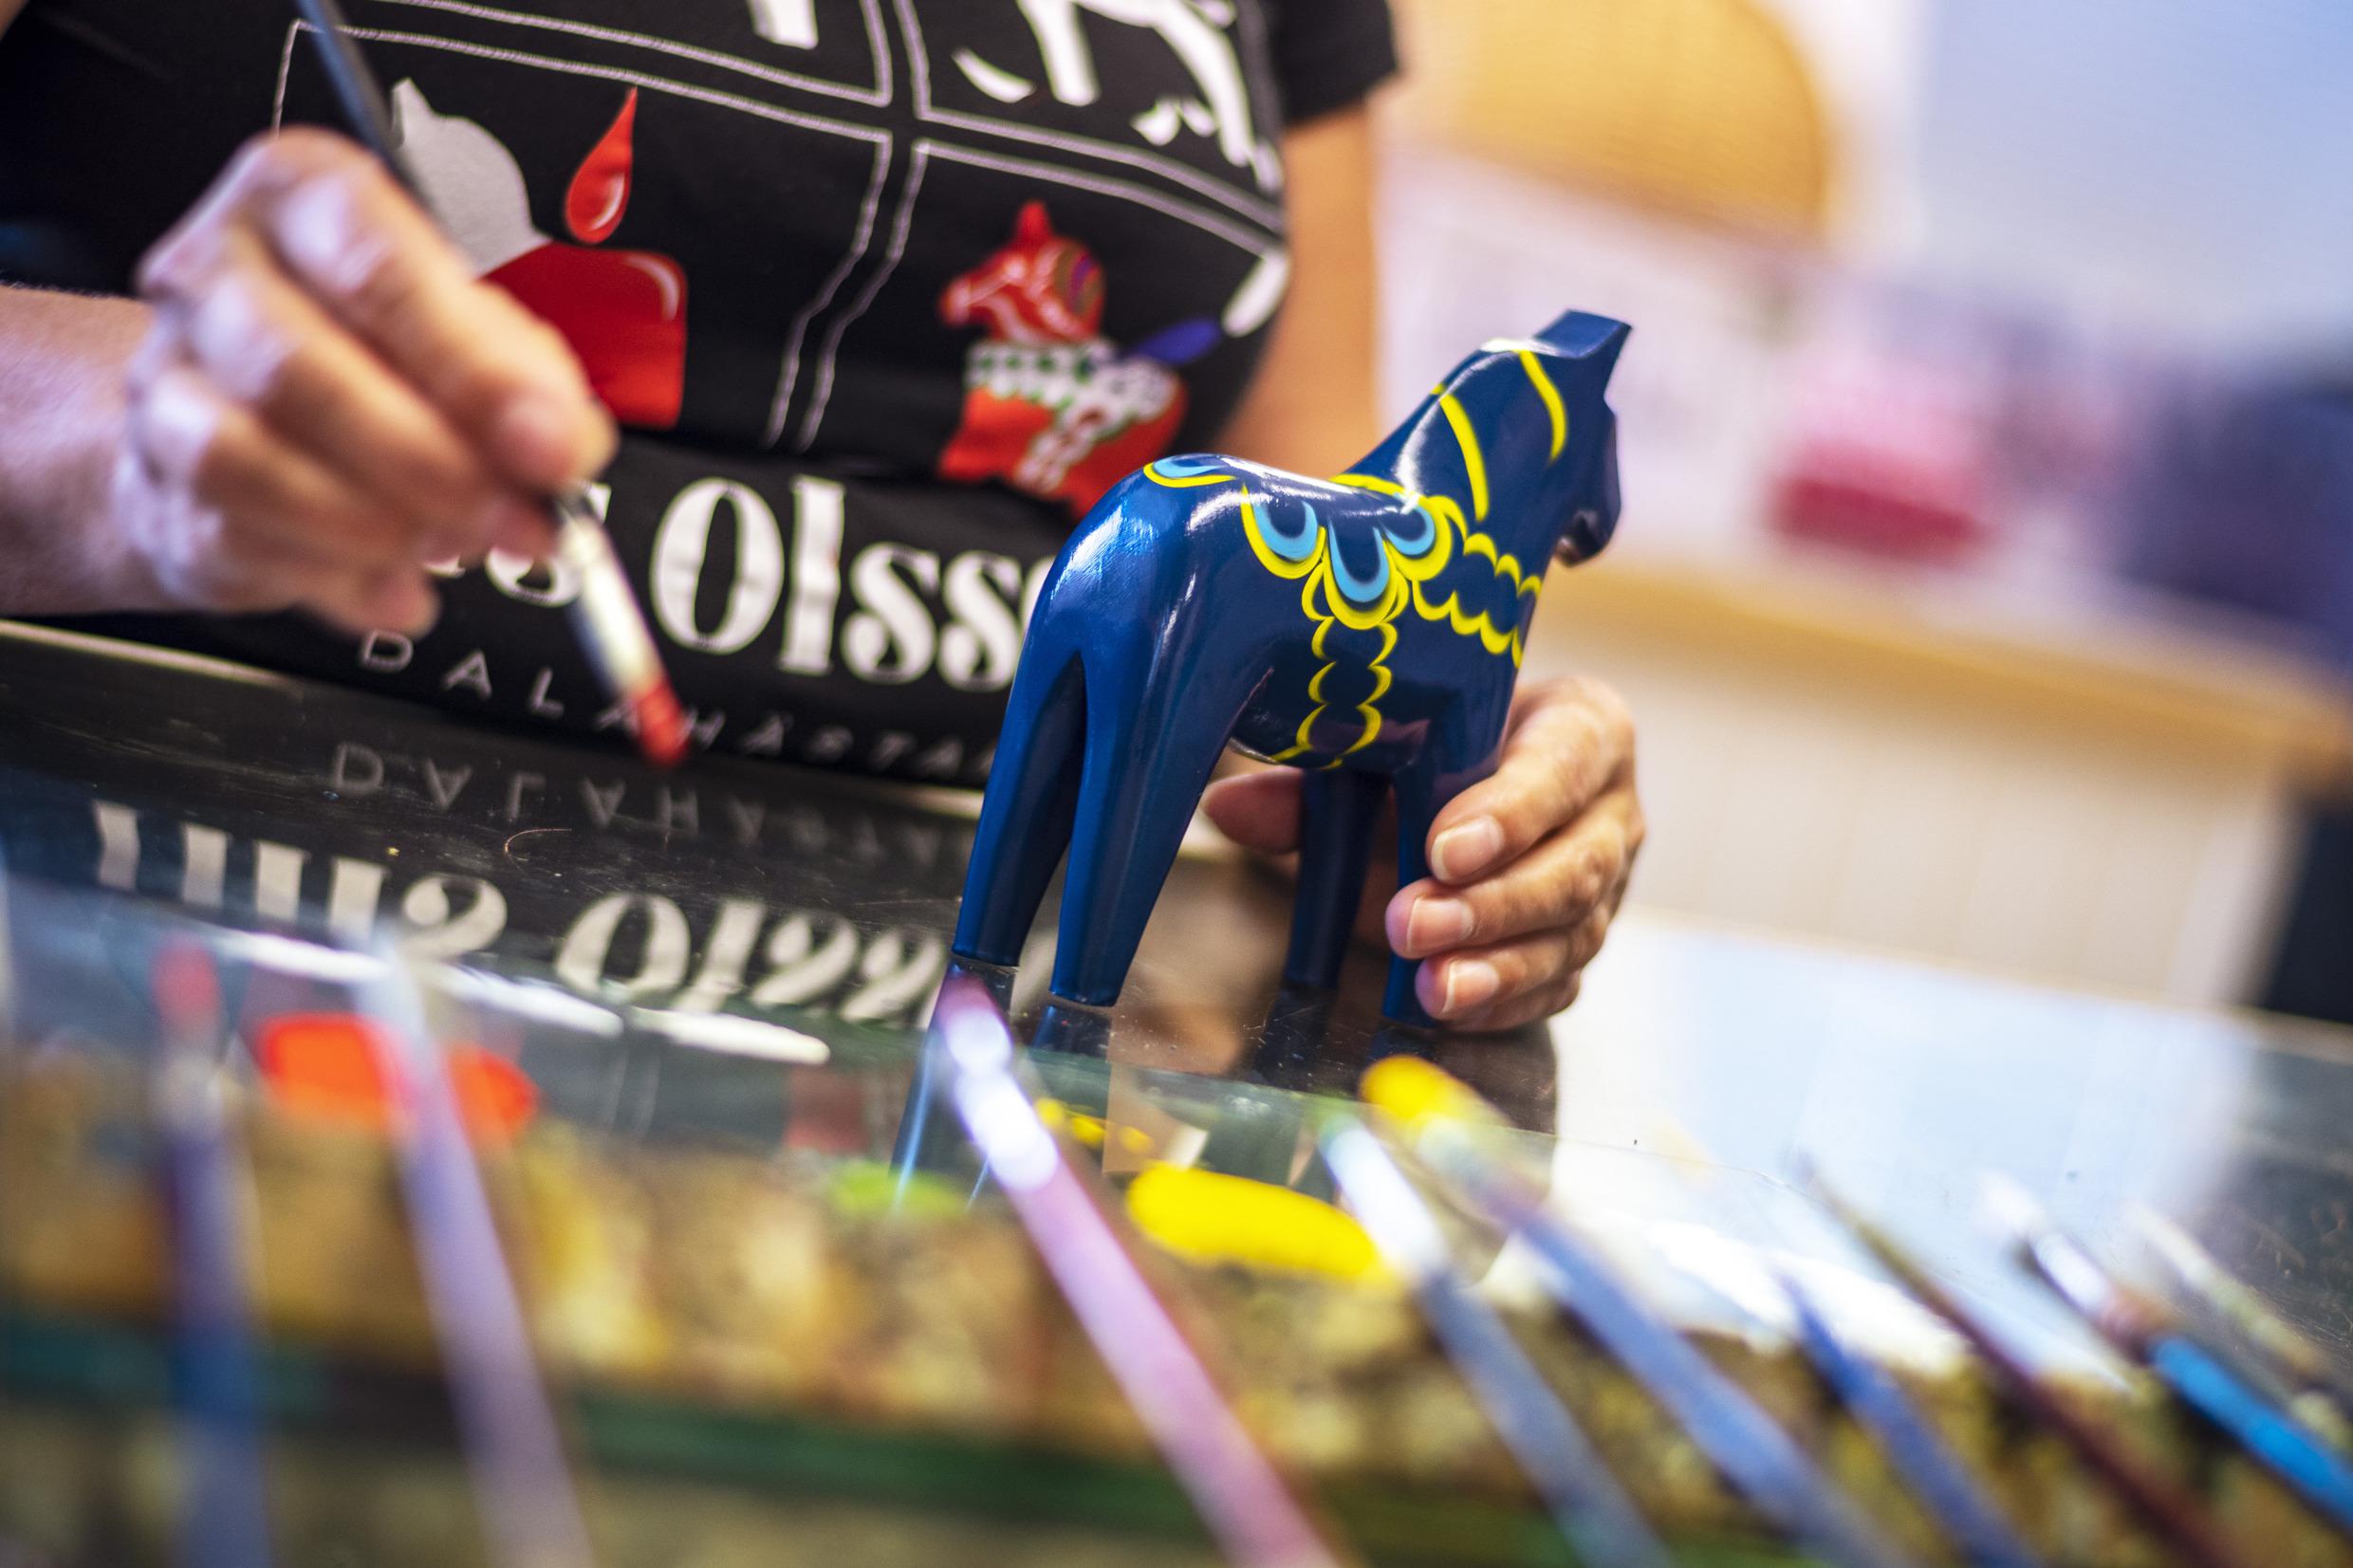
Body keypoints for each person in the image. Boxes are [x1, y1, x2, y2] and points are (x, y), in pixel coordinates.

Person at [0, 0, 1639, 1030]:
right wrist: (104, 437)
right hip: (133, 918)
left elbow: (1317, 549)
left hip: (953, 1025)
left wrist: (1436, 808)